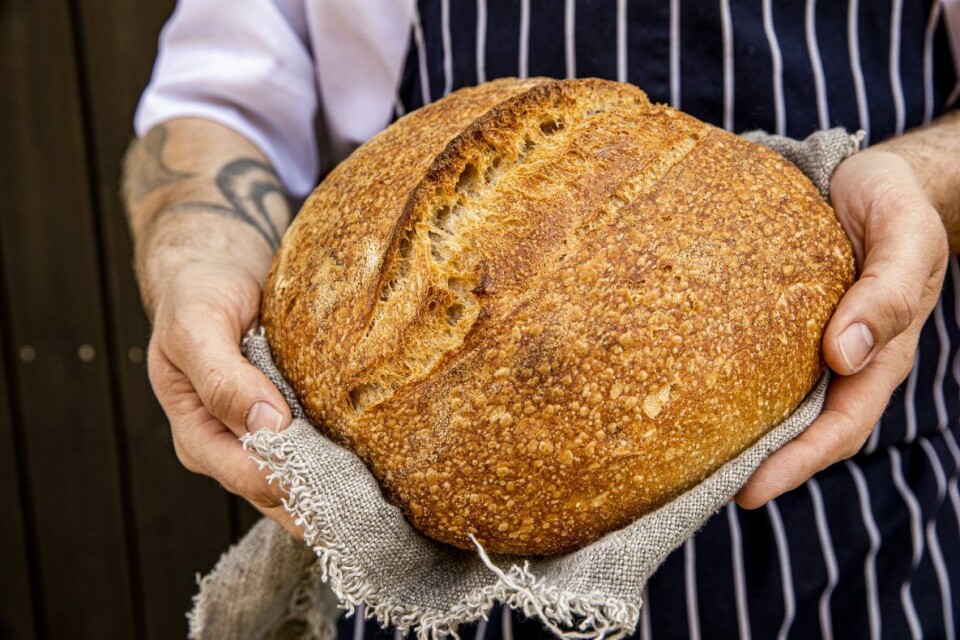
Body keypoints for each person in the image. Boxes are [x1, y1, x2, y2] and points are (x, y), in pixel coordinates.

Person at [124, 1, 960, 638]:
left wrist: (918, 184)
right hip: (427, 557)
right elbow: (215, 106)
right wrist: (195, 254)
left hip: (850, 525)